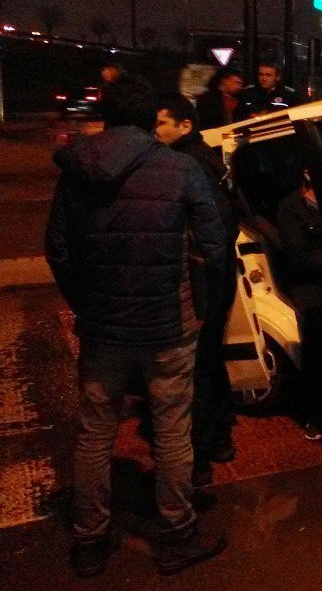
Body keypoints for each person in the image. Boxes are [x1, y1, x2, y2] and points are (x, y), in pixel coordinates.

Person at [46, 76, 228, 577]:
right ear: (154, 120)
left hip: (103, 326)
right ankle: (176, 534)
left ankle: (89, 539)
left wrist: (87, 303)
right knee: (171, 427)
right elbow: (214, 247)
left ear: (105, 115)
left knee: (94, 432)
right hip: (169, 322)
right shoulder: (181, 168)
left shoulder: (78, 168)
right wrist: (207, 306)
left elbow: (58, 247)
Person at [155, 93, 239, 487]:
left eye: (161, 124)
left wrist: (204, 278)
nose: (155, 132)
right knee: (210, 357)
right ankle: (220, 432)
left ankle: (205, 446)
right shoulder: (209, 157)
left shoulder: (188, 165)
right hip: (217, 277)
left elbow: (214, 229)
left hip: (204, 279)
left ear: (185, 125)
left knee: (197, 366)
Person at [275, 170, 322, 440]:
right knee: (315, 329)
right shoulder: (290, 207)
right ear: (306, 173)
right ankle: (314, 415)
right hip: (309, 278)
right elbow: (296, 255)